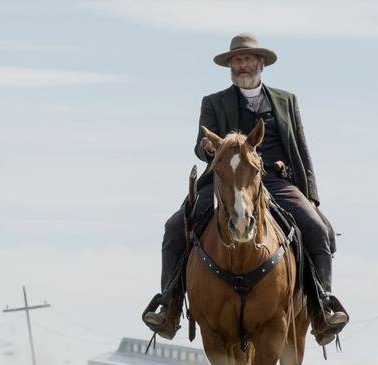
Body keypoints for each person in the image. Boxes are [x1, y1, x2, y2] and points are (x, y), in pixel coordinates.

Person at [142, 32, 348, 345]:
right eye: (236, 60)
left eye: (247, 58)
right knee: (174, 228)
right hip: (227, 181)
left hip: (277, 180)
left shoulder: (287, 100)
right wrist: (207, 148)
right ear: (231, 66)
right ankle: (169, 305)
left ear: (260, 63)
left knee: (317, 229)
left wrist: (312, 197)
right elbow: (200, 147)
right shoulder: (213, 102)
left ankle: (322, 306)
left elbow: (302, 149)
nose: (242, 64)